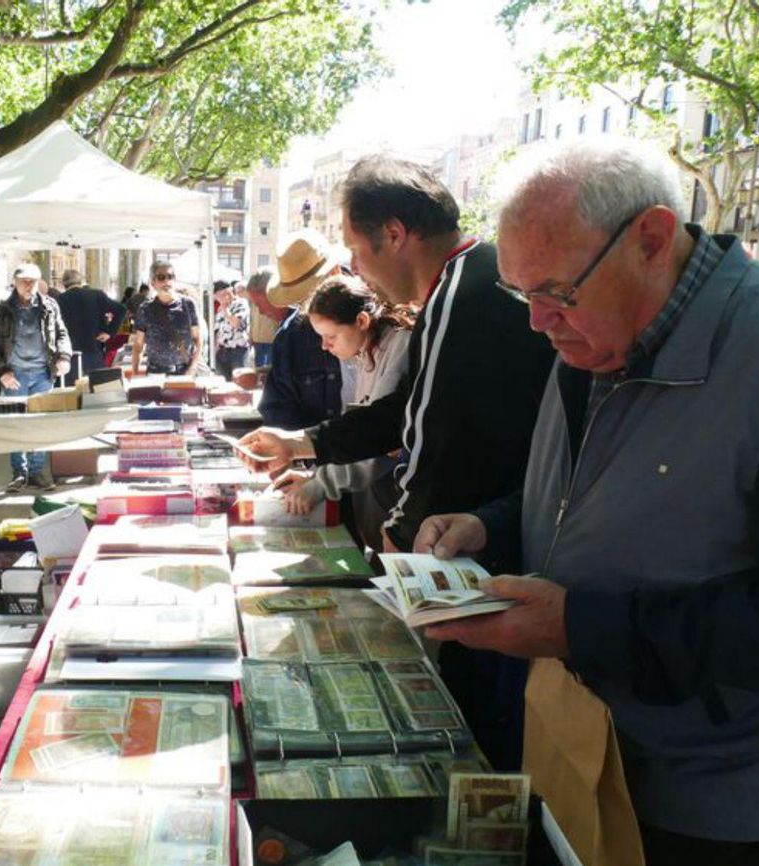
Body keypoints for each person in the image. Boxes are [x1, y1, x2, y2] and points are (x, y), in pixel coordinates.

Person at [412, 139, 759, 864]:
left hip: (705, 802)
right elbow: (585, 490)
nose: (538, 323)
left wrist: (579, 626)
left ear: (652, 240)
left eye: (556, 293)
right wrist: (490, 526)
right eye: (522, 295)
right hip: (578, 744)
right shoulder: (593, 337)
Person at [238, 157, 555, 769]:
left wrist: (402, 531)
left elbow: (433, 441)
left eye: (357, 249)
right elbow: (402, 413)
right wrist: (301, 443)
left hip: (488, 550)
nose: (355, 267)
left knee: (474, 730)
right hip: (495, 528)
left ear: (394, 234)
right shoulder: (460, 286)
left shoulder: (460, 296)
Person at [272, 274, 416, 550]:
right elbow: (353, 434)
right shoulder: (365, 351)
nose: (324, 346)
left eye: (330, 336)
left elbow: (376, 441)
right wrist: (316, 477)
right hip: (376, 506)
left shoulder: (399, 347)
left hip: (398, 507)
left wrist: (321, 483)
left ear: (361, 321)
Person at [0, 262, 72, 491]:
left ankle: (37, 472)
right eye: (24, 280)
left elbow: (62, 333)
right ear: (15, 282)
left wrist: (64, 357)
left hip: (43, 373)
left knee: (40, 424)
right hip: (15, 375)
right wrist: (1, 371)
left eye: (32, 280)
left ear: (40, 282)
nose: (28, 285)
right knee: (15, 425)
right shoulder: (0, 309)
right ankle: (19, 473)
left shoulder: (50, 306)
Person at [256, 230, 346, 429]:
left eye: (312, 292)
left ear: (335, 273)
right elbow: (278, 409)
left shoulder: (377, 318)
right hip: (313, 456)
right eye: (301, 299)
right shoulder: (290, 337)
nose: (309, 305)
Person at [131, 260, 202, 375]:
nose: (166, 281)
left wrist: (193, 367)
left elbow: (198, 339)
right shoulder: (145, 309)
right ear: (153, 282)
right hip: (155, 372)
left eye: (170, 276)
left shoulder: (188, 305)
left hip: (183, 371)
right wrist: (135, 373)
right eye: (161, 277)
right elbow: (138, 344)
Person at [56, 268, 125, 385]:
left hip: (69, 354)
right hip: (94, 350)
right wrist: (109, 332)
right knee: (97, 390)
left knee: (70, 393)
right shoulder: (96, 295)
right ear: (81, 281)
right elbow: (121, 309)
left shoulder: (59, 300)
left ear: (63, 284)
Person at [244, 268, 285, 367]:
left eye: (260, 304)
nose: (261, 312)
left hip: (271, 338)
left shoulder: (293, 328)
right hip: (258, 338)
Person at [212, 280, 251, 378]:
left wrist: (225, 308)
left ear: (229, 292)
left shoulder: (241, 303)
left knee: (239, 384)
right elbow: (217, 329)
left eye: (219, 295)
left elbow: (236, 323)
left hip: (238, 351)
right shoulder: (220, 308)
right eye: (216, 296)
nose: (218, 299)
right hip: (222, 352)